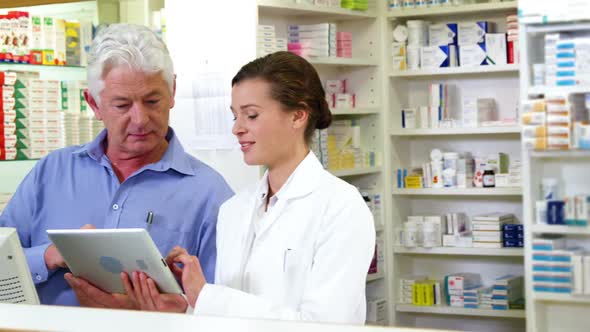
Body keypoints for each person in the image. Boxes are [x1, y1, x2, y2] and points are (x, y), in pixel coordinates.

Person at [121, 51, 376, 324]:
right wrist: (185, 307)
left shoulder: (341, 208)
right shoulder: (234, 209)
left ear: (298, 116)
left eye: (251, 115)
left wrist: (207, 297)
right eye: (235, 116)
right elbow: (224, 318)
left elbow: (329, 325)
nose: (237, 129)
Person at [0, 23, 233, 307]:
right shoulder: (51, 172)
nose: (140, 119)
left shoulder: (210, 194)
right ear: (93, 103)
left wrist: (179, 312)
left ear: (173, 91)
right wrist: (49, 256)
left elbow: (226, 306)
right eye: (122, 105)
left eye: (152, 101)